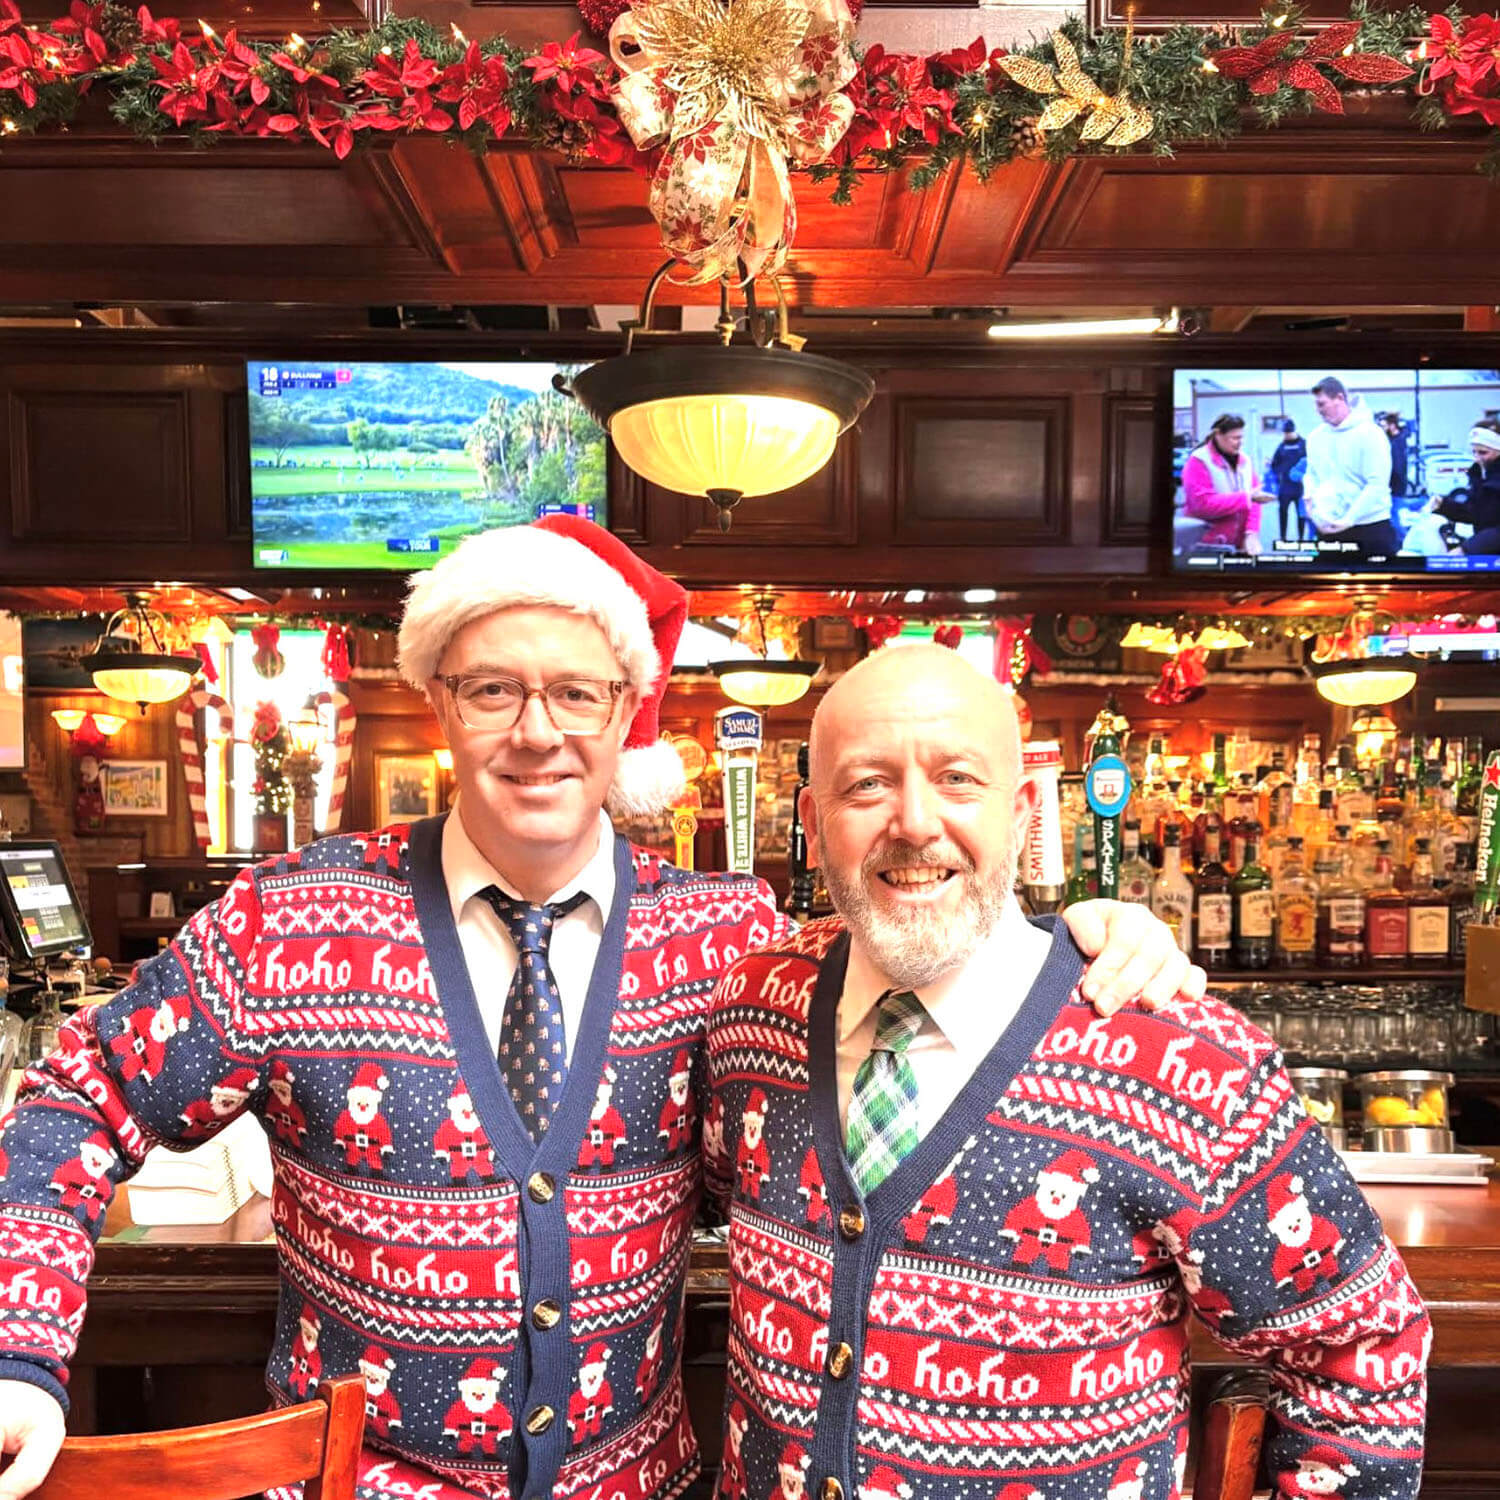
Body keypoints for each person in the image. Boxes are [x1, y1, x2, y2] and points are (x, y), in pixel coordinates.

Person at [0, 519, 1200, 1500]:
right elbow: (72, 1101)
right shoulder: (292, 919)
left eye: (577, 691)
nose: (537, 732)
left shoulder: (729, 942)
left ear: (629, 709)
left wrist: (1074, 937)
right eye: (491, 689)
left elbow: (925, 934)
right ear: (436, 705)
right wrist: (18, 1354)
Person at [705, 644, 1429, 1500]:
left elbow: (1363, 1351)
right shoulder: (755, 1008)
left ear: (1020, 815)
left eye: (958, 779)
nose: (913, 821)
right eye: (865, 785)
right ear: (812, 817)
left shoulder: (1182, 1057)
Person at [1302, 377, 1398, 557]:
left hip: (1370, 529)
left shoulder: (1371, 434)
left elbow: (1377, 484)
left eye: (1322, 404)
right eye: (1316, 405)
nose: (1318, 411)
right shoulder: (1316, 437)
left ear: (1339, 398)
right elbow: (1312, 474)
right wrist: (1309, 500)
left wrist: (1349, 519)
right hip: (1329, 530)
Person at [1179, 413, 1272, 555]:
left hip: (1238, 547)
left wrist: (1251, 533)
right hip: (1205, 547)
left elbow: (1255, 500)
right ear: (1218, 435)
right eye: (1235, 438)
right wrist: (1246, 498)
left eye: (1241, 437)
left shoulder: (1245, 461)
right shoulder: (1198, 461)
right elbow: (1202, 505)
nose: (1240, 443)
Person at [1431, 419, 1500, 556]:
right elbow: (1476, 513)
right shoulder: (1480, 475)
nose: (1476, 458)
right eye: (1474, 452)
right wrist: (1444, 505)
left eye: (1483, 452)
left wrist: (1467, 549)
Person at [1267, 417, 1309, 543]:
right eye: (1284, 433)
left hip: (1301, 487)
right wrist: (1277, 471)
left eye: (1288, 433)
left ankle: (1301, 539)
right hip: (1285, 487)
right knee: (1282, 512)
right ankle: (1283, 538)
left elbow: (1312, 463)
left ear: (1293, 431)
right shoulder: (1281, 447)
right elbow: (1274, 465)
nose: (1286, 435)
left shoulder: (1304, 445)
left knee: (1301, 514)